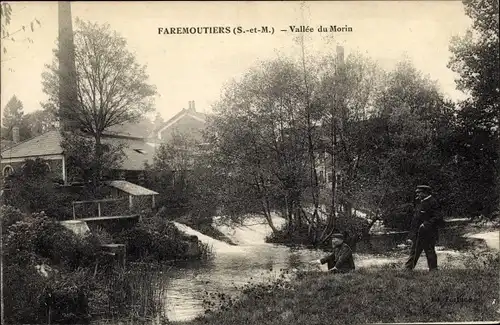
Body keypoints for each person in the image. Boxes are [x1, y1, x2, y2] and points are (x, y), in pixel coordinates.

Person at [404, 185, 444, 271]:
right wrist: (411, 234)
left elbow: (438, 217)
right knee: (414, 251)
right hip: (418, 233)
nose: (417, 194)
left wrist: (426, 224)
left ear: (425, 193)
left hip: (429, 233)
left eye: (419, 192)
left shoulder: (433, 202)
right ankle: (408, 269)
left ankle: (433, 270)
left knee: (430, 251)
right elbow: (415, 220)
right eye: (417, 192)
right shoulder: (420, 202)